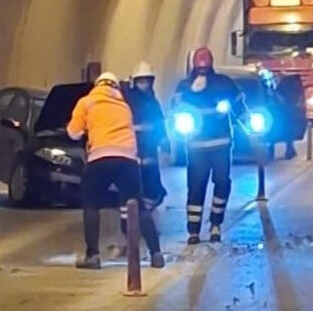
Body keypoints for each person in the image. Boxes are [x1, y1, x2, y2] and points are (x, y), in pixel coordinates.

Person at [67, 71, 164, 270]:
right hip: (127, 159)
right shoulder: (124, 106)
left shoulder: (87, 102)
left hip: (99, 157)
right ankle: (156, 253)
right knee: (138, 206)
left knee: (91, 204)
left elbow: (73, 133)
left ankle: (92, 256)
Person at [173, 47, 247, 245]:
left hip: (220, 144)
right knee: (196, 187)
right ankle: (194, 230)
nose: (202, 71)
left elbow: (238, 104)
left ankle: (216, 224)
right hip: (196, 146)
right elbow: (176, 107)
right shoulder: (184, 87)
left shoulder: (224, 83)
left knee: (222, 183)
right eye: (199, 67)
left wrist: (247, 121)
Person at [123, 61, 169, 211]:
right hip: (133, 147)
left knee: (152, 183)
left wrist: (165, 146)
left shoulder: (152, 100)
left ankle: (146, 210)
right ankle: (141, 214)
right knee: (136, 182)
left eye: (146, 81)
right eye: (141, 81)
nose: (144, 85)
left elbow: (160, 124)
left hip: (149, 147)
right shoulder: (128, 101)